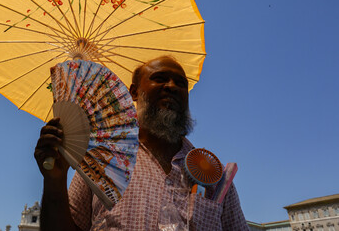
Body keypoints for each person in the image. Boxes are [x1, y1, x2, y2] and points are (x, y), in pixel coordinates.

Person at [34, 56, 249, 230]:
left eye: (181, 83)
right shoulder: (101, 159)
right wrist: (55, 181)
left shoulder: (214, 176)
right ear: (134, 92)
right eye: (160, 78)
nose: (172, 86)